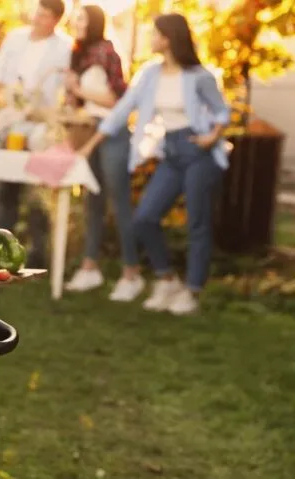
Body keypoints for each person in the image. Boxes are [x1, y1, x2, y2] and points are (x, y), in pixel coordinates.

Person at [77, 13, 230, 315]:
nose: (150, 38)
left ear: (168, 39)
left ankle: (193, 290)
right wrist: (90, 145)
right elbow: (121, 110)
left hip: (198, 152)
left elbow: (221, 112)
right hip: (171, 152)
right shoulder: (149, 74)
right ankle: (167, 279)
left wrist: (212, 136)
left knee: (197, 223)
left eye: (154, 34)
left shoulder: (199, 76)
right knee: (144, 218)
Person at [62, 5, 144, 301]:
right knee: (91, 201)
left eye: (81, 18)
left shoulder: (107, 52)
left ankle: (131, 272)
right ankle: (89, 267)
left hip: (112, 134)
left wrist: (79, 91)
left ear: (95, 22)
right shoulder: (79, 54)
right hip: (88, 131)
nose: (76, 23)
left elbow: (115, 100)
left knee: (118, 202)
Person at [0, 0, 72, 267]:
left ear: (56, 20)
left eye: (44, 16)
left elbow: (66, 89)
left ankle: (37, 253)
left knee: (38, 189)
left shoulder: (64, 48)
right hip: (11, 123)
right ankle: (0, 251)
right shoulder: (15, 39)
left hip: (40, 128)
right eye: (37, 12)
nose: (37, 19)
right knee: (7, 187)